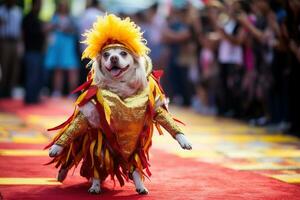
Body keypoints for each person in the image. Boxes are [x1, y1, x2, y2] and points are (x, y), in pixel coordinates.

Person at [44, 1, 79, 97]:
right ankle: (57, 91)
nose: (63, 7)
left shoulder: (72, 19)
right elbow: (47, 30)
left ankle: (72, 93)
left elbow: (76, 31)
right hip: (57, 46)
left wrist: (66, 29)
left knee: (72, 69)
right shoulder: (54, 17)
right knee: (58, 69)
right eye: (61, 5)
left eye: (64, 5)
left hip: (68, 46)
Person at [22, 0, 45, 104]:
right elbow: (30, 33)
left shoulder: (36, 18)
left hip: (37, 51)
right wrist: (43, 30)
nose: (40, 7)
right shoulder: (28, 18)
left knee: (36, 76)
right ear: (34, 5)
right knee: (32, 76)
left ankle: (34, 98)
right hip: (31, 51)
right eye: (39, 5)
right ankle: (30, 99)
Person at [0, 0, 22, 97]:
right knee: (4, 65)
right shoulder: (1, 10)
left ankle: (10, 90)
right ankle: (2, 89)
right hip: (4, 41)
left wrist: (20, 43)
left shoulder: (18, 11)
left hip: (15, 41)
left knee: (14, 67)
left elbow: (20, 28)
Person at [78, 0, 104, 84]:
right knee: (95, 74)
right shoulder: (101, 15)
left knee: (84, 73)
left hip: (84, 49)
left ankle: (83, 94)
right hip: (97, 50)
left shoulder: (84, 15)